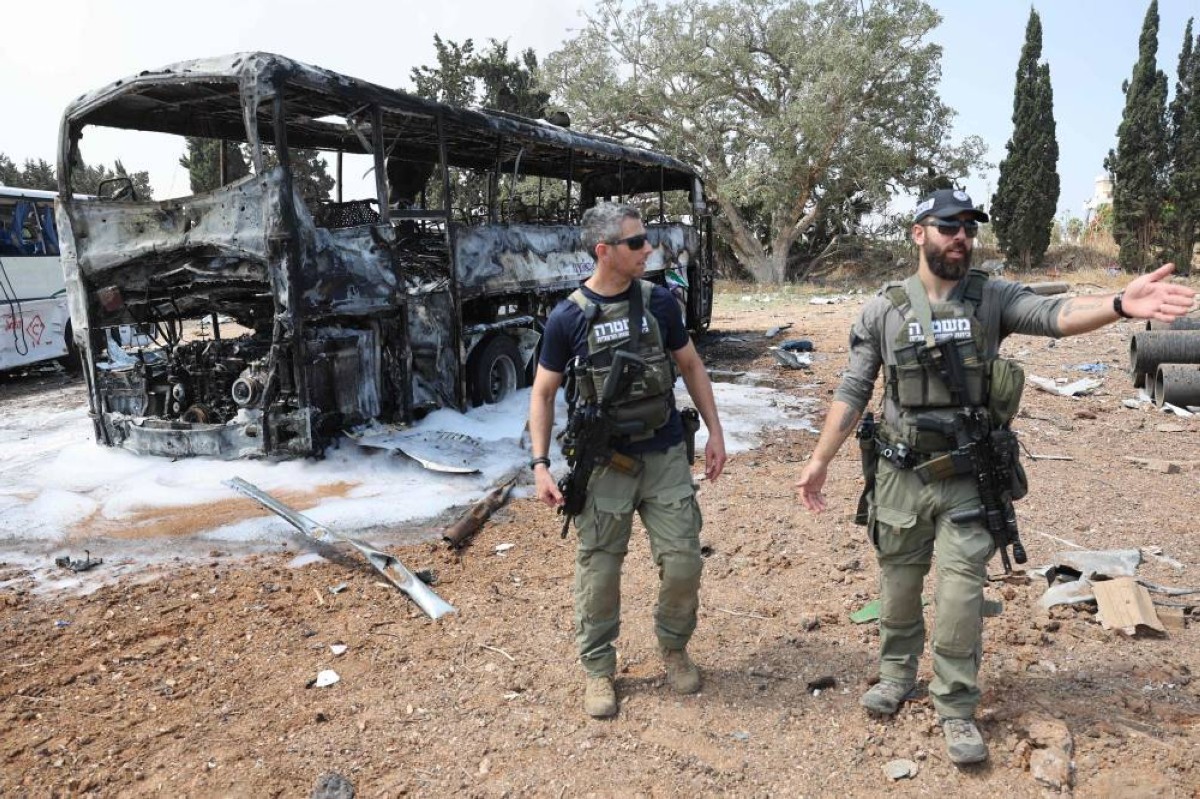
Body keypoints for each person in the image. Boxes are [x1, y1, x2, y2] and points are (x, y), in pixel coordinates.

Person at [795, 188, 1196, 765]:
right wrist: (820, 460)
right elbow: (855, 388)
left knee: (960, 596)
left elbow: (1055, 316)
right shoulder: (883, 309)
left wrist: (1118, 303)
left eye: (969, 227)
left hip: (967, 476)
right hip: (900, 475)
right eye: (948, 226)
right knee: (899, 586)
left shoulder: (991, 298)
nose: (961, 236)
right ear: (919, 233)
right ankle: (896, 674)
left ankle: (955, 704)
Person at [529, 202, 727, 719]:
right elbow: (543, 393)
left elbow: (690, 365)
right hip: (604, 465)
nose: (648, 249)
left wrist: (715, 432)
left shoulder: (659, 302)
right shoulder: (568, 317)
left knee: (683, 560)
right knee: (599, 571)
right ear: (604, 251)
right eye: (636, 242)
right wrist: (540, 464)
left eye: (646, 239)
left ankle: (674, 646)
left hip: (663, 451)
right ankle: (598, 667)